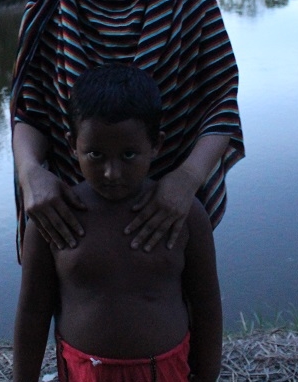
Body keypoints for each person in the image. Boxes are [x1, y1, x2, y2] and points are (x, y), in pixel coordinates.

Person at [10, 0, 244, 261]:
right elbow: (29, 113)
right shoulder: (46, 11)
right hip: (73, 219)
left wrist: (186, 180)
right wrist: (32, 175)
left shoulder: (190, 0)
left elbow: (221, 104)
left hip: (169, 214)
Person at [13, 64, 222, 382]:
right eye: (96, 155)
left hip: (165, 373)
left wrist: (207, 376)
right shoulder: (54, 217)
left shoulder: (185, 216)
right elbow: (32, 312)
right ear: (72, 145)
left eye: (128, 155)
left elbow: (206, 304)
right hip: (84, 374)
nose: (112, 173)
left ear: (156, 145)